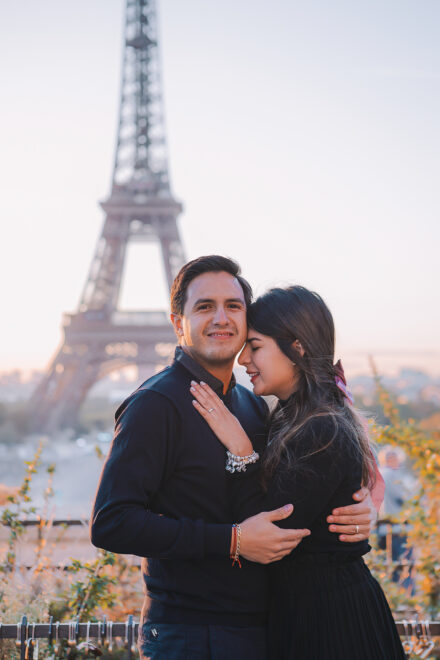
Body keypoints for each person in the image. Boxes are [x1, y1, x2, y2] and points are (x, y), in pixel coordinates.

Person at [91, 256, 380, 660]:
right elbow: (111, 523)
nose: (221, 317)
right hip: (193, 631)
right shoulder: (155, 405)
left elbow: (295, 488)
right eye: (204, 306)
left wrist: (359, 503)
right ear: (179, 324)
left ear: (246, 320)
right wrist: (232, 540)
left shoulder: (252, 404)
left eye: (233, 306)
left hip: (267, 626)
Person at [190, 284, 405, 659]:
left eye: (255, 346)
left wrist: (241, 452)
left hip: (330, 622)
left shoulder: (320, 428)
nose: (243, 360)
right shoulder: (297, 416)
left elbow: (268, 532)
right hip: (316, 609)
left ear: (297, 348)